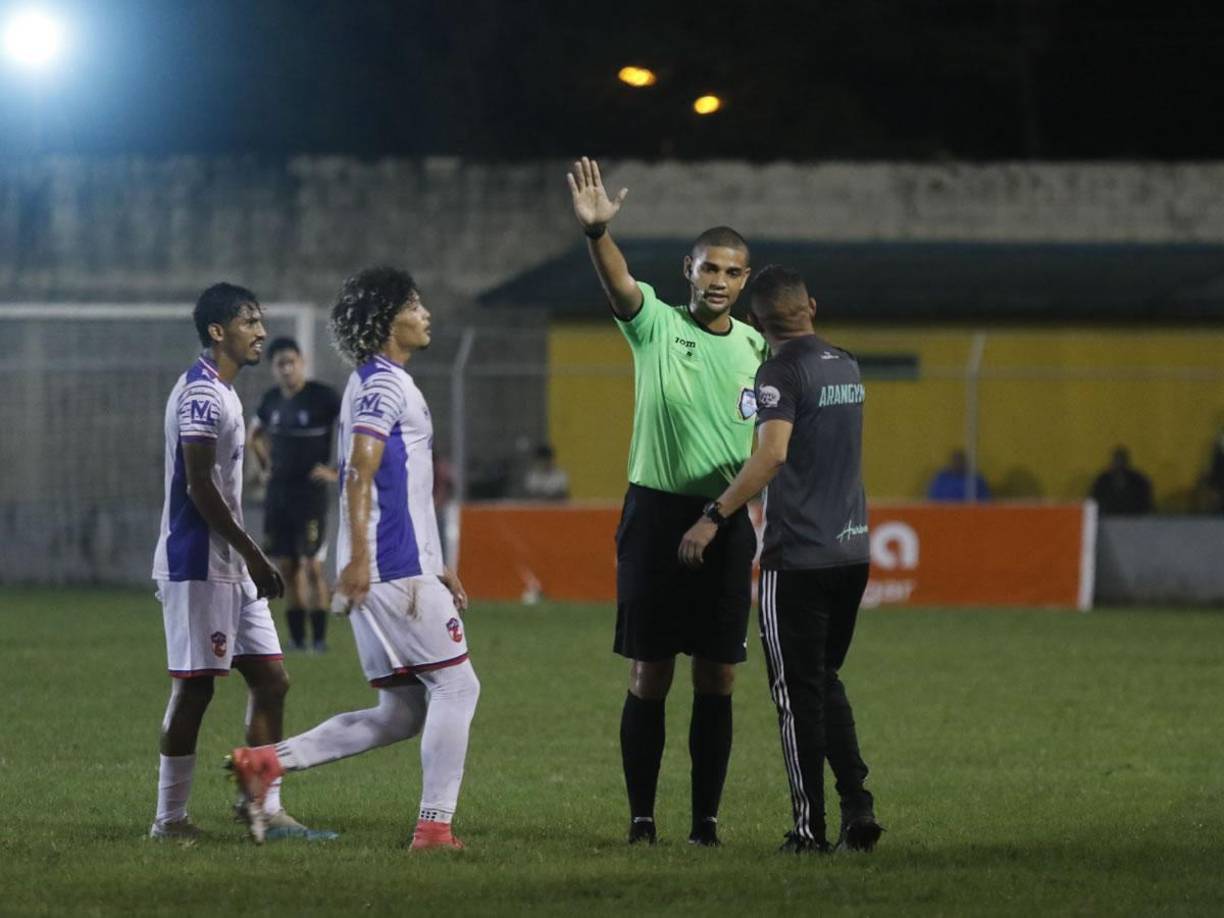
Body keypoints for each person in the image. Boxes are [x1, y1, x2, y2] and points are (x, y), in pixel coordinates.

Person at [228, 266, 480, 851]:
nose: (425, 314)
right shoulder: (384, 386)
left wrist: (441, 564)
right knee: (457, 688)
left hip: (403, 564)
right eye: (414, 305)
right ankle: (434, 827)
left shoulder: (378, 381)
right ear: (388, 320)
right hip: (392, 568)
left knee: (400, 712)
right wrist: (362, 560)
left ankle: (266, 763)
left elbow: (404, 484)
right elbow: (360, 473)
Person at [567, 156, 767, 846]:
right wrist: (598, 235)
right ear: (689, 270)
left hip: (727, 521)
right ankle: (642, 820)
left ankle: (706, 824)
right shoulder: (656, 323)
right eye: (707, 268)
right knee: (649, 673)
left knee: (718, 676)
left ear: (745, 280)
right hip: (654, 517)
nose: (717, 281)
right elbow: (620, 285)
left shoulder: (755, 346)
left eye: (731, 271)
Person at [679, 265, 884, 855]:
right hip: (852, 550)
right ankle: (858, 806)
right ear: (811, 307)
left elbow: (771, 455)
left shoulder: (780, 371)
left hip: (798, 558)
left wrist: (712, 516)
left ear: (754, 320)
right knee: (824, 680)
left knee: (795, 698)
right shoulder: (845, 364)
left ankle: (807, 829)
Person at [150, 283, 331, 842]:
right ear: (217, 331)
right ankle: (170, 820)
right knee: (196, 689)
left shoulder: (226, 393)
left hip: (231, 565)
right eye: (249, 321)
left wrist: (246, 558)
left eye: (260, 320)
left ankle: (261, 807)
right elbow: (199, 486)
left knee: (272, 680)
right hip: (199, 563)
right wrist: (254, 554)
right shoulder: (202, 396)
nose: (259, 330)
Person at [248, 337, 342, 652]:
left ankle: (320, 638)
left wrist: (336, 472)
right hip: (279, 494)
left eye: (292, 362)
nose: (287, 369)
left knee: (312, 564)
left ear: (302, 362)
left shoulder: (323, 398)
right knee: (287, 566)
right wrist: (265, 467)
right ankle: (298, 639)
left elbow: (354, 429)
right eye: (280, 364)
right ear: (273, 369)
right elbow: (254, 436)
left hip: (311, 494)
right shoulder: (271, 401)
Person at [1090, 445, 1154, 515]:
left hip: (1134, 520)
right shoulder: (1102, 482)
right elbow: (1094, 503)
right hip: (1108, 519)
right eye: (1117, 462)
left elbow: (1146, 505)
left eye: (1122, 462)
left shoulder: (1138, 482)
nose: (1119, 466)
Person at [927, 448, 991, 501]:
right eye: (955, 460)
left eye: (960, 460)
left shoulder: (975, 479)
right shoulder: (942, 478)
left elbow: (985, 501)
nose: (957, 463)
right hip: (943, 513)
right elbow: (932, 498)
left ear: (965, 462)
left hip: (969, 513)